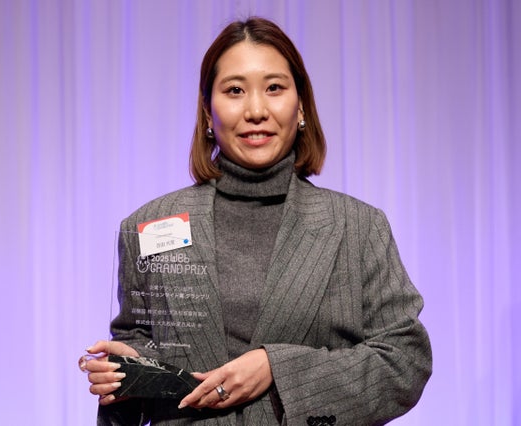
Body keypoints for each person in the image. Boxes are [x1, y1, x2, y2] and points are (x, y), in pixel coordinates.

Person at [82, 17, 432, 425]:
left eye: (274, 88)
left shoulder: (358, 228)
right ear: (208, 112)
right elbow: (139, 346)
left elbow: (405, 360)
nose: (256, 111)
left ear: (301, 106)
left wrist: (278, 369)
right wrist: (127, 377)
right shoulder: (148, 226)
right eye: (234, 90)